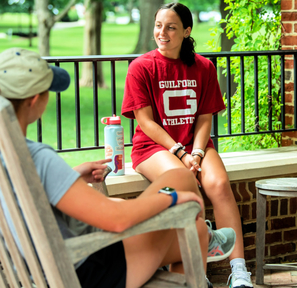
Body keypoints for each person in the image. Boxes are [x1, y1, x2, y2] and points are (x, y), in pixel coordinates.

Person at [0, 47, 217, 288]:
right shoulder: (39, 158)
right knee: (191, 217)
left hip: (37, 273)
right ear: (33, 100)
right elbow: (117, 220)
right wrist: (173, 198)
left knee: (183, 196)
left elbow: (25, 196)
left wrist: (69, 177)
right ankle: (209, 236)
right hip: (85, 273)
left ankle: (208, 235)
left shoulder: (11, 155)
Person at [121, 3, 253, 287]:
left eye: (170, 27)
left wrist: (195, 152)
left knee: (218, 184)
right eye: (158, 25)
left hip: (196, 145)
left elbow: (205, 119)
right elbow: (146, 123)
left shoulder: (203, 67)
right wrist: (180, 153)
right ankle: (196, 274)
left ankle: (239, 271)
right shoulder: (140, 67)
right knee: (187, 184)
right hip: (153, 148)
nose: (162, 32)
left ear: (186, 31)